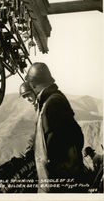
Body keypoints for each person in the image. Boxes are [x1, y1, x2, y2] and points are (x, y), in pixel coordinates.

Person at [25, 62, 88, 192]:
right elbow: (77, 135)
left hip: (58, 184)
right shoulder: (55, 98)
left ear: (33, 84)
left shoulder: (52, 103)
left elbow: (52, 148)